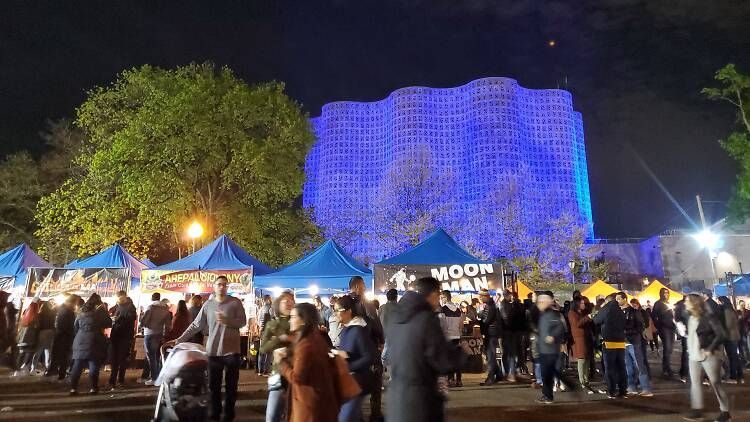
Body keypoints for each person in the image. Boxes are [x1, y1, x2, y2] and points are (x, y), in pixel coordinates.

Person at [385, 277, 465, 422]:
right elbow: (443, 360)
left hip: (397, 399)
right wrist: (461, 353)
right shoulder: (427, 319)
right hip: (420, 401)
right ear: (434, 294)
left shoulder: (397, 318)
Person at [169, 276, 247, 422]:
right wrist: (179, 340)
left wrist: (227, 321)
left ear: (227, 287)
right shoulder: (208, 305)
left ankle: (229, 414)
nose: (222, 287)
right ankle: (215, 414)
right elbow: (196, 325)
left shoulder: (235, 303)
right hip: (213, 352)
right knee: (213, 386)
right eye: (219, 284)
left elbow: (243, 322)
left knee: (231, 387)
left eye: (224, 285)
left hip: (232, 351)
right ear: (214, 286)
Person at [276, 303, 338, 422]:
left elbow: (297, 378)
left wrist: (282, 362)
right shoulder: (317, 338)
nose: (290, 320)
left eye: (294, 317)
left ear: (304, 320)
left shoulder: (306, 345)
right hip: (320, 400)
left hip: (308, 404)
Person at [684, 294, 731, 422]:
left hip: (708, 355)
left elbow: (721, 334)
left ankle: (725, 412)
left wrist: (710, 349)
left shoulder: (708, 317)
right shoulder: (690, 317)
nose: (685, 303)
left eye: (687, 301)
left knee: (715, 383)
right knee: (695, 383)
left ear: (695, 303)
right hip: (693, 355)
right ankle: (697, 410)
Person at [348, 276, 384, 422]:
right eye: (363, 285)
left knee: (354, 381)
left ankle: (354, 414)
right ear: (357, 286)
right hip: (368, 346)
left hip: (351, 347)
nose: (365, 288)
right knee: (376, 383)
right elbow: (375, 322)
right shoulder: (365, 302)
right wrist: (381, 340)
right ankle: (375, 415)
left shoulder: (344, 302)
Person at [336, 294, 376, 422]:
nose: (335, 313)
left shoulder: (358, 330)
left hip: (357, 382)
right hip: (349, 381)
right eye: (334, 309)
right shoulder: (345, 330)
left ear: (349, 311)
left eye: (338, 310)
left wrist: (348, 365)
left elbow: (370, 356)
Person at [260, 291, 294, 422]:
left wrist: (290, 341)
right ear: (278, 304)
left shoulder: (299, 321)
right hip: (277, 373)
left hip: (296, 372)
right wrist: (278, 339)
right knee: (272, 415)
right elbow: (263, 348)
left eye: (291, 300)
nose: (289, 303)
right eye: (285, 301)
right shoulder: (272, 324)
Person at [69, 293, 112, 395]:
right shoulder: (99, 313)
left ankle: (73, 388)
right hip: (95, 340)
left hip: (80, 339)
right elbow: (108, 323)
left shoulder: (81, 312)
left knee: (77, 365)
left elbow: (75, 327)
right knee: (93, 364)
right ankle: (93, 388)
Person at [535, 292, 573, 404]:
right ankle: (548, 394)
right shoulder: (543, 314)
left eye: (541, 302)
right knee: (549, 372)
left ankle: (549, 395)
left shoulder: (553, 314)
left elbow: (560, 327)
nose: (539, 304)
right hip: (544, 348)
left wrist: (552, 336)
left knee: (549, 372)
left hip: (550, 349)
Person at [593, 293, 627, 398]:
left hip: (609, 343)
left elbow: (596, 321)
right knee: (621, 367)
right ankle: (623, 390)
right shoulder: (621, 311)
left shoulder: (606, 309)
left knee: (610, 368)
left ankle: (612, 390)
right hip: (621, 342)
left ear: (607, 301)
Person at [619, 292, 653, 396]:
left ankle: (646, 388)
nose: (617, 301)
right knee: (628, 366)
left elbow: (641, 326)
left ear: (624, 299)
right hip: (623, 342)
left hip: (633, 341)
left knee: (639, 364)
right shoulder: (619, 312)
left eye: (619, 299)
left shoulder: (634, 311)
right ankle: (631, 387)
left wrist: (628, 332)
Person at [139, 292, 172, 385]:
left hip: (149, 333)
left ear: (152, 298)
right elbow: (168, 324)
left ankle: (154, 378)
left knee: (151, 357)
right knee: (156, 356)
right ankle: (157, 377)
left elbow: (144, 321)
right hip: (159, 333)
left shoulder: (150, 307)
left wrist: (142, 323)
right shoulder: (166, 308)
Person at [108, 291, 136, 390]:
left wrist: (119, 318)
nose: (119, 299)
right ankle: (112, 380)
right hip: (115, 336)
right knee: (114, 359)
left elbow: (132, 318)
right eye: (118, 298)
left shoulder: (130, 307)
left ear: (124, 297)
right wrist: (112, 318)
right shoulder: (116, 306)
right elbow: (110, 316)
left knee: (122, 360)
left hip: (125, 337)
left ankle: (120, 381)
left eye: (120, 298)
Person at [568, 297, 594, 392]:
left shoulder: (583, 313)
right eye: (582, 303)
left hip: (586, 338)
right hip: (579, 339)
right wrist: (588, 318)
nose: (584, 305)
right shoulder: (572, 313)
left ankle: (586, 379)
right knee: (582, 359)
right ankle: (582, 380)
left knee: (587, 359)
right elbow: (577, 324)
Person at [500, 289, 527, 382]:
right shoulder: (505, 305)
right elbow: (506, 317)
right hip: (510, 332)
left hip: (510, 331)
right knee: (510, 353)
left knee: (511, 353)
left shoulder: (508, 305)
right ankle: (510, 373)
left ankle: (511, 372)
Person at [439, 290, 463, 387]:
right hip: (457, 336)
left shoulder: (443, 309)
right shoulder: (458, 310)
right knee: (456, 358)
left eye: (442, 297)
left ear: (445, 297)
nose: (441, 299)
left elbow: (442, 324)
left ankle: (451, 379)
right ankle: (459, 380)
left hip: (447, 336)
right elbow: (461, 325)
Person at [478, 288, 502, 385]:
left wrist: (480, 316)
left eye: (481, 296)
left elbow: (486, 320)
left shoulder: (489, 305)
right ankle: (498, 374)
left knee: (490, 356)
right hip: (492, 332)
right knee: (490, 355)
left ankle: (491, 377)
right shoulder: (491, 304)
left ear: (485, 296)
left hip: (491, 332)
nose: (480, 298)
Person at [652, 288, 676, 377]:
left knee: (670, 349)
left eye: (668, 293)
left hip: (671, 327)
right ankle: (666, 368)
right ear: (661, 294)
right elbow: (654, 316)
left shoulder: (668, 303)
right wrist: (658, 326)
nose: (667, 294)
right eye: (665, 293)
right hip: (664, 328)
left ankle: (666, 367)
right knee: (667, 347)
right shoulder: (658, 303)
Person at [717, 296, 742, 383]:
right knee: (734, 356)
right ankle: (739, 374)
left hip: (730, 337)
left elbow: (728, 325)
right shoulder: (731, 310)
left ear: (722, 302)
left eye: (719, 302)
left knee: (732, 357)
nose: (718, 303)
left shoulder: (727, 311)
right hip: (734, 336)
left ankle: (733, 376)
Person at [15, 300, 40, 376]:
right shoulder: (35, 317)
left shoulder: (25, 314)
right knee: (29, 354)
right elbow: (37, 327)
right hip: (30, 339)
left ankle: (17, 370)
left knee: (22, 354)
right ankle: (23, 369)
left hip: (22, 338)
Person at [33, 300, 56, 374]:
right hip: (50, 332)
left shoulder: (40, 314)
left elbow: (37, 325)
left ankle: (33, 368)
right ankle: (47, 368)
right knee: (48, 351)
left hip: (42, 332)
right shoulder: (52, 314)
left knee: (38, 351)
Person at [257, 295, 273, 375]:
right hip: (269, 331)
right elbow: (273, 319)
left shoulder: (260, 309)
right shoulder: (270, 308)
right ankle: (266, 371)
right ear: (268, 300)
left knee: (262, 351)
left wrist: (260, 328)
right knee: (269, 352)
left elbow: (258, 321)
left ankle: (260, 370)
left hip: (262, 331)